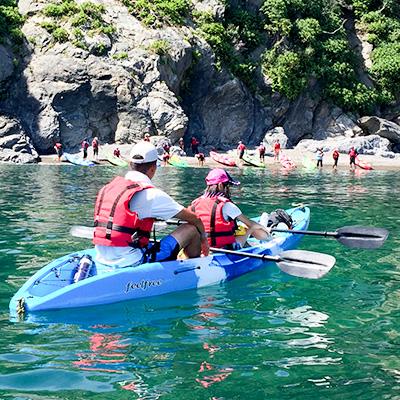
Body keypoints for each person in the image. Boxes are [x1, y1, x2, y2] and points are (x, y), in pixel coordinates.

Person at [93, 142, 209, 268]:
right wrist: (204, 239)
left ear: (130, 164)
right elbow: (195, 218)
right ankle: (194, 267)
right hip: (132, 261)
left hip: (101, 256)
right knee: (191, 229)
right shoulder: (152, 195)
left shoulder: (108, 188)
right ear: (153, 168)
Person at [190, 168, 270, 249]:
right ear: (221, 185)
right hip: (222, 247)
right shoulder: (226, 205)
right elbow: (250, 224)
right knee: (252, 227)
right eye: (228, 186)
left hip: (200, 247)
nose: (228, 189)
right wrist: (264, 229)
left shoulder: (195, 203)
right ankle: (269, 239)